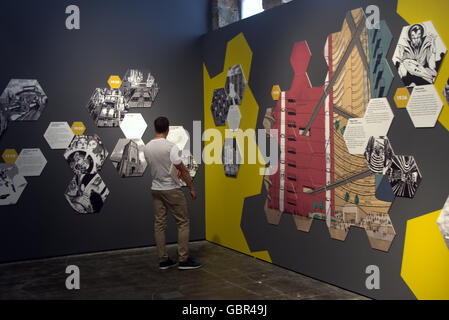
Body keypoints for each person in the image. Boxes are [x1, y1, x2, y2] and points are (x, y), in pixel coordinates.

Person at [144, 116, 201, 270]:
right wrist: (191, 188)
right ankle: (183, 260)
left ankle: (163, 260)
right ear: (168, 129)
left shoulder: (147, 147)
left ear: (155, 128)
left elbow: (157, 166)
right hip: (171, 189)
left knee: (159, 224)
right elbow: (182, 169)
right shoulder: (171, 147)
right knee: (183, 222)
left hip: (156, 189)